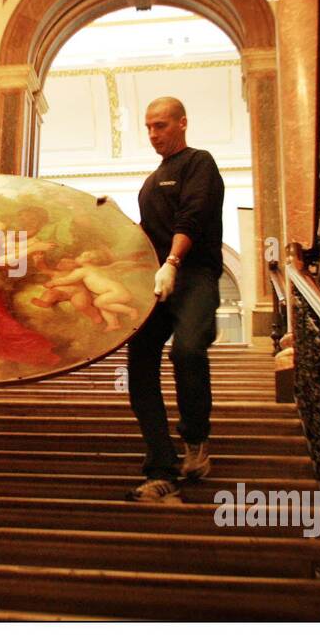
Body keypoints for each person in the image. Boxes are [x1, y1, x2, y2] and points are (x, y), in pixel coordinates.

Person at [125, 96, 225, 503]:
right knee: (139, 359)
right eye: (148, 127)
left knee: (186, 350)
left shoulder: (199, 163)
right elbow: (147, 233)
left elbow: (193, 217)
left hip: (193, 274)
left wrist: (172, 262)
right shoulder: (150, 183)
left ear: (182, 123)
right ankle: (161, 465)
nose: (152, 135)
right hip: (158, 280)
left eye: (161, 126)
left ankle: (196, 439)